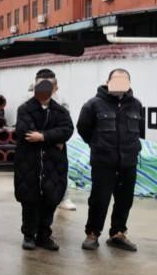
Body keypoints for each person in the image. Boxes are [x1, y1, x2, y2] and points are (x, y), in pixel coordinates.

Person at [78, 69, 143, 252]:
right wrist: (98, 144)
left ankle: (118, 233)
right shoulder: (93, 104)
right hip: (103, 162)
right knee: (99, 200)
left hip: (128, 162)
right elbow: (83, 128)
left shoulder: (136, 105)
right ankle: (92, 234)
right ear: (108, 82)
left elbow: (139, 130)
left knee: (125, 200)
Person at [13, 69, 74, 251]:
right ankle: (29, 235)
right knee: (29, 201)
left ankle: (44, 235)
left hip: (53, 164)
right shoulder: (25, 109)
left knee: (50, 199)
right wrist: (53, 139)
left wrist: (43, 136)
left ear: (56, 88)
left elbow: (67, 130)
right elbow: (25, 132)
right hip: (29, 163)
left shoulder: (60, 111)